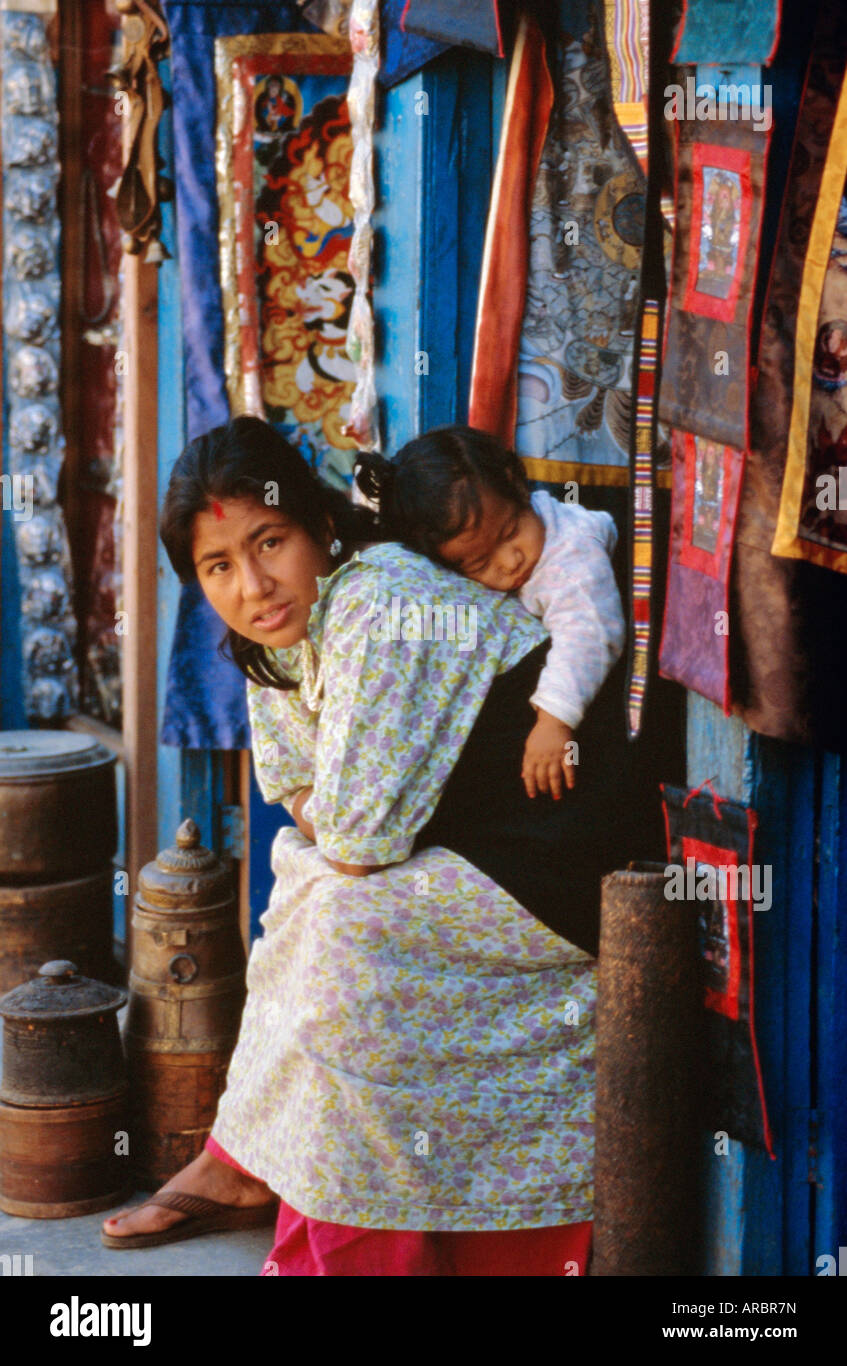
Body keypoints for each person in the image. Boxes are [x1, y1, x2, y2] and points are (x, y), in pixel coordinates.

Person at [101, 415, 622, 1276]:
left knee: (338, 921)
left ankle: (346, 1231)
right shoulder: (276, 638)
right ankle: (250, 1162)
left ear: (321, 527)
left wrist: (333, 829)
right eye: (218, 567)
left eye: (270, 541)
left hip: (559, 854)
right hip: (470, 846)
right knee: (307, 906)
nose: (254, 584)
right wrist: (331, 827)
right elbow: (296, 786)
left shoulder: (378, 597)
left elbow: (351, 834)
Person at [354, 425, 625, 802]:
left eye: (512, 530)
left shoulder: (571, 557)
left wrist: (554, 722)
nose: (511, 560)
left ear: (517, 486)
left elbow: (591, 635)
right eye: (481, 563)